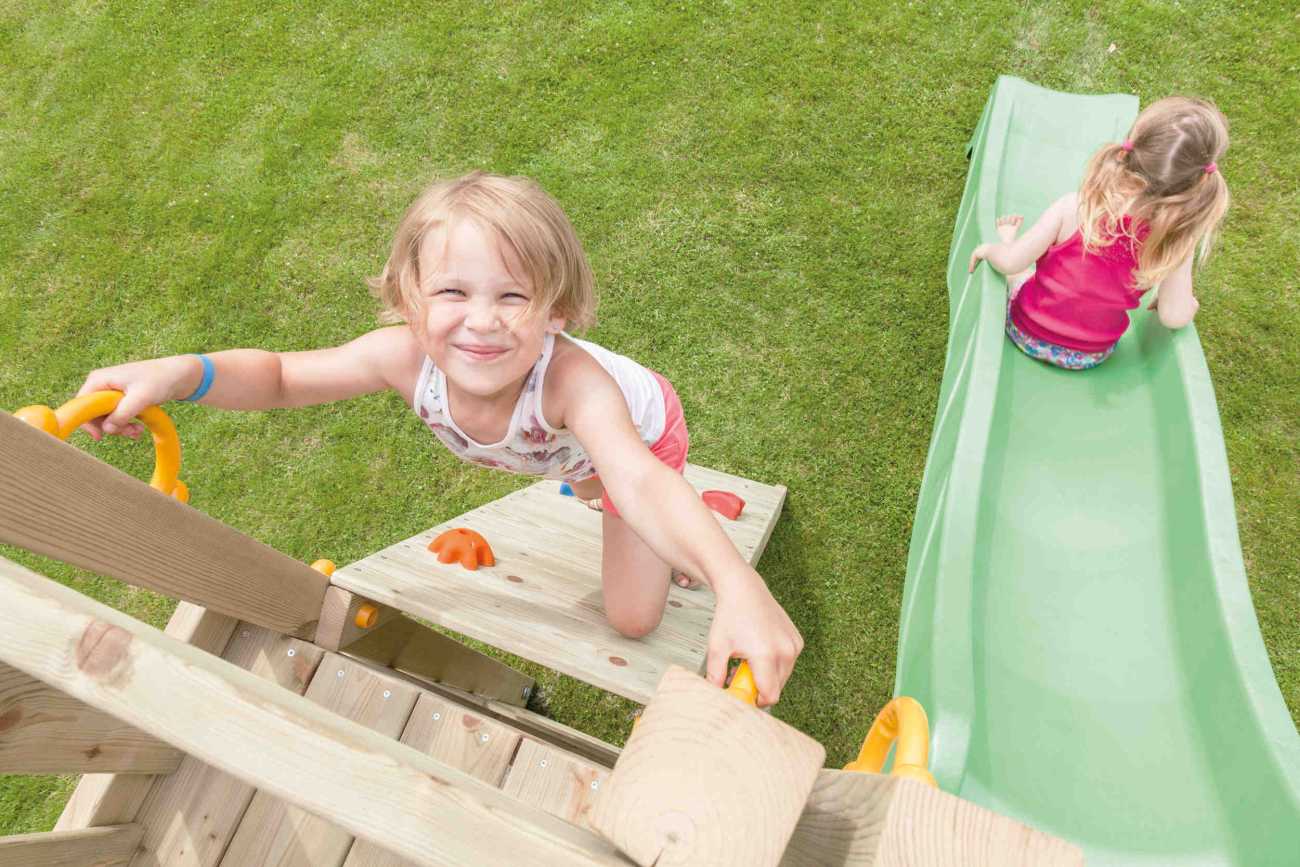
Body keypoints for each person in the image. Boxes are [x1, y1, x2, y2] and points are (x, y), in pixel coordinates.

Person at [75, 172, 803, 704]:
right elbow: (281, 378)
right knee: (587, 486)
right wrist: (179, 373)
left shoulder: (573, 385)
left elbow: (639, 479)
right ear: (407, 301)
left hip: (632, 436)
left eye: (513, 296)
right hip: (565, 455)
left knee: (633, 608)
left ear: (558, 312)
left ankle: (665, 526)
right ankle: (604, 500)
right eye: (453, 292)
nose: (482, 321)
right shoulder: (402, 356)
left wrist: (735, 582)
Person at [968, 97, 1230, 370]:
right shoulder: (1176, 240)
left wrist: (991, 249)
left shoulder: (1076, 207)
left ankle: (1009, 239)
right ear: (1200, 181)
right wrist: (1189, 303)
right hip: (1089, 356)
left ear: (1130, 150)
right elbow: (1174, 316)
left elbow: (1011, 262)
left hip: (1024, 331)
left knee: (1018, 271)